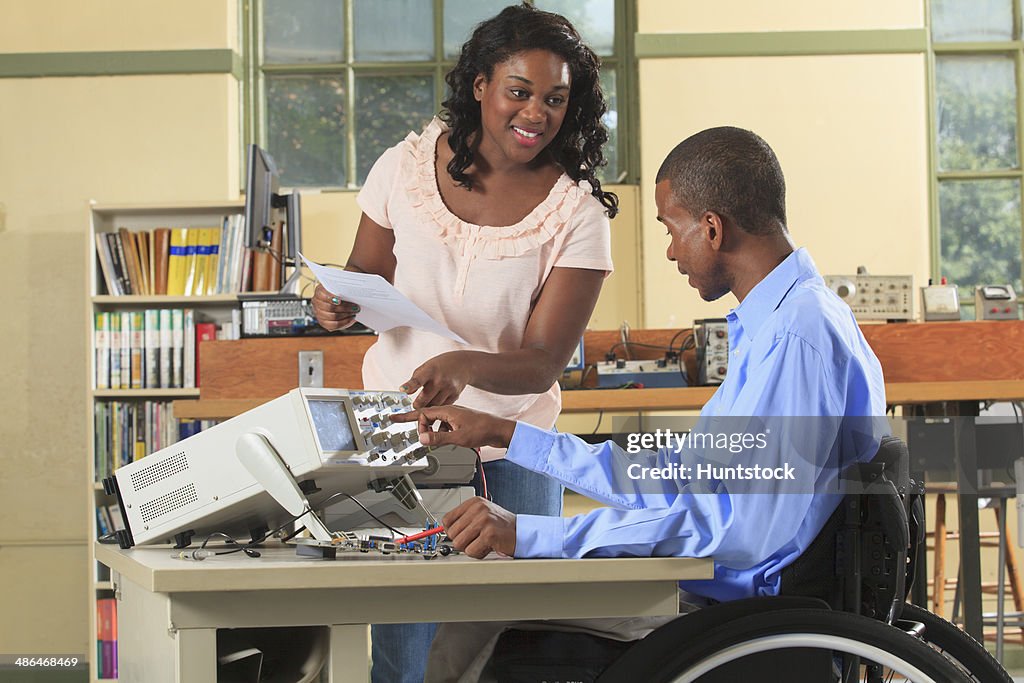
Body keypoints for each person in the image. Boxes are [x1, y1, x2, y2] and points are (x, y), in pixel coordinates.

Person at [391, 126, 889, 681]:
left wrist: (535, 536)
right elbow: (680, 473)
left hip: (735, 618)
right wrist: (504, 435)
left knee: (476, 622)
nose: (673, 250)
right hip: (712, 594)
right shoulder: (781, 323)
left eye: (671, 230)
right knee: (478, 612)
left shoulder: (797, 336)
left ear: (712, 229)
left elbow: (745, 532)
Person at [310, 5, 617, 682]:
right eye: (519, 91)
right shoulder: (405, 167)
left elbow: (543, 362)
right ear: (480, 84)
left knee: (504, 649)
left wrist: (463, 364)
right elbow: (365, 274)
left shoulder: (577, 215)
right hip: (397, 435)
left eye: (555, 98)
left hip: (513, 450)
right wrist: (336, 300)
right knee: (404, 646)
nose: (536, 112)